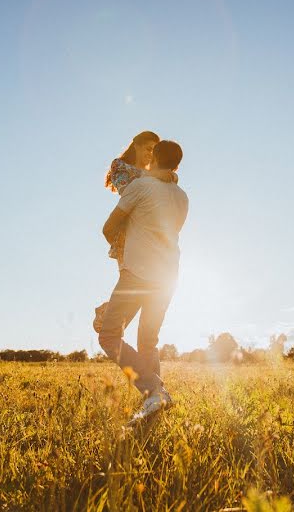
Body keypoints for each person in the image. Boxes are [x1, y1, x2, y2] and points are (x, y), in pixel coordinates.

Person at [98, 140, 188, 424]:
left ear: (154, 159)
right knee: (148, 341)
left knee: (109, 335)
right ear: (176, 165)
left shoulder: (139, 187)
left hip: (138, 274)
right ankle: (154, 399)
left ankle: (153, 390)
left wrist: (126, 244)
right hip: (168, 276)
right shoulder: (182, 197)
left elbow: (108, 228)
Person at [93, 131, 175, 333]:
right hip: (126, 237)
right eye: (148, 148)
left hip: (148, 237)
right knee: (132, 284)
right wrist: (157, 176)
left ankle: (109, 316)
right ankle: (109, 321)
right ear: (136, 146)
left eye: (154, 151)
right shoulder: (120, 167)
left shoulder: (153, 175)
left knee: (145, 288)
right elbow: (126, 188)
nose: (151, 154)